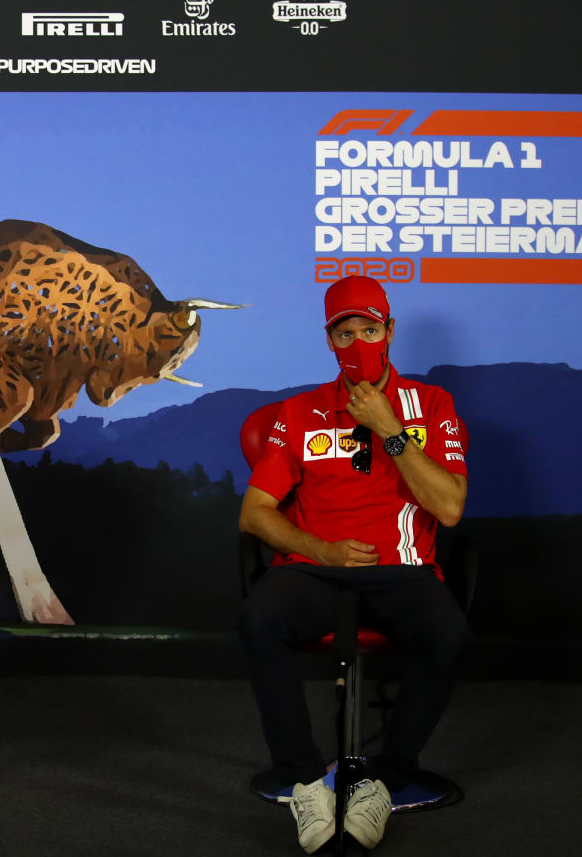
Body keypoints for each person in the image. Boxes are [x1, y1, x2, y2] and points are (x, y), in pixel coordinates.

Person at [238, 275, 471, 853]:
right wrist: (320, 549)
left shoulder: (434, 406)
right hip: (314, 569)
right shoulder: (298, 412)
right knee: (258, 618)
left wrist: (390, 429)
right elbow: (254, 513)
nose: (359, 343)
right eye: (346, 334)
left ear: (390, 331)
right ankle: (305, 779)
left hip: (403, 570)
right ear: (330, 341)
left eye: (370, 329)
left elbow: (449, 507)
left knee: (448, 634)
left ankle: (386, 779)